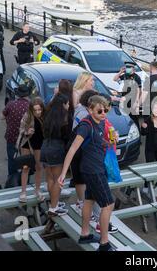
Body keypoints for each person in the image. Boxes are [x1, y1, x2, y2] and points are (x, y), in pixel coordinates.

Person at [59, 95, 117, 251]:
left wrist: (109, 142)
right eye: (99, 111)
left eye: (106, 109)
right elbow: (72, 149)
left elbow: (97, 143)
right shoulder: (86, 125)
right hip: (94, 170)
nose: (103, 113)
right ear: (90, 110)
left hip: (95, 167)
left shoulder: (101, 122)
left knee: (89, 200)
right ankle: (104, 243)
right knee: (108, 204)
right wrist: (63, 173)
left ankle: (85, 234)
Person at [41, 94, 70, 216]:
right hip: (57, 149)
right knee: (58, 179)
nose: (69, 105)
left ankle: (54, 202)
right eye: (67, 103)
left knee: (50, 179)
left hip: (45, 146)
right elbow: (66, 137)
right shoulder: (64, 118)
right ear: (63, 104)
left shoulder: (48, 114)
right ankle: (53, 208)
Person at [17, 97, 45, 203]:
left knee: (39, 167)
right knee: (25, 167)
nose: (38, 112)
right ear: (31, 110)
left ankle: (37, 190)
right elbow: (21, 129)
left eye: (39, 109)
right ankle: (23, 192)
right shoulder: (27, 116)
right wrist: (27, 131)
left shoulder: (44, 116)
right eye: (35, 110)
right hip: (27, 144)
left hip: (39, 144)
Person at [2, 84, 30, 186]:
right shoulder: (30, 106)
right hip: (26, 139)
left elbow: (2, 116)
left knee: (12, 160)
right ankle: (24, 181)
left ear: (18, 94)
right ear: (27, 95)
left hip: (11, 136)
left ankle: (11, 182)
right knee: (25, 161)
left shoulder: (10, 104)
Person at [113, 63, 142, 129]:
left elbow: (139, 90)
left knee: (134, 118)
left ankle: (138, 131)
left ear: (133, 69)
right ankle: (128, 130)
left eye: (129, 68)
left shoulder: (137, 77)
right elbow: (114, 79)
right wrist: (120, 72)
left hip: (133, 100)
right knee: (126, 117)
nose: (127, 69)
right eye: (127, 67)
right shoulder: (125, 75)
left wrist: (137, 102)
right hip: (124, 99)